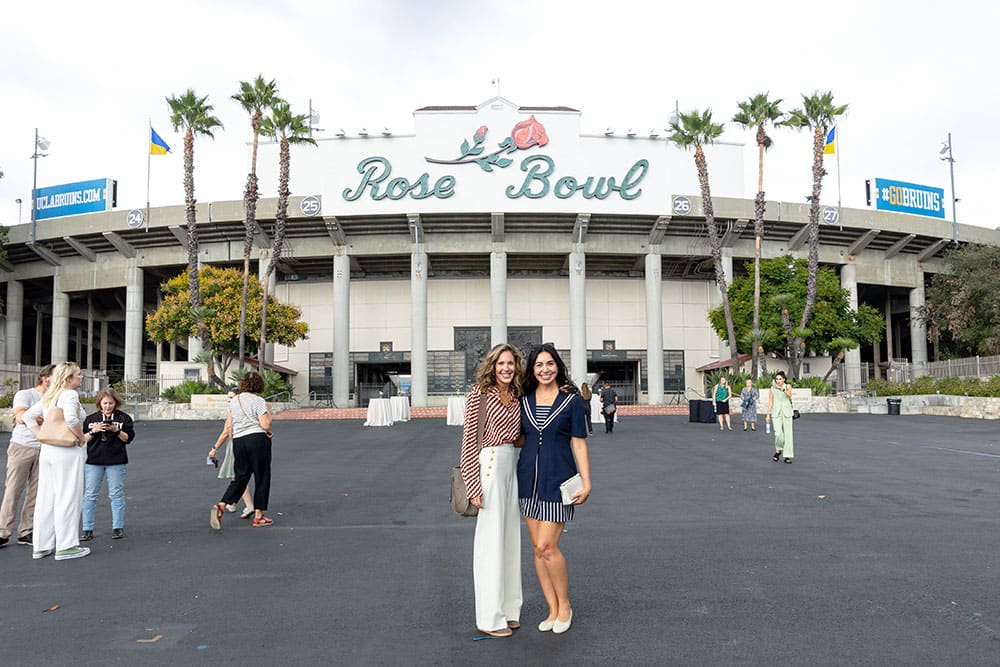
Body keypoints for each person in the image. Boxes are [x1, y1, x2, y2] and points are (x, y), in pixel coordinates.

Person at [518, 343, 591, 634]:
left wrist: (587, 481)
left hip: (559, 482)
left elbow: (578, 443)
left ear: (558, 367)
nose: (544, 369)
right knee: (537, 550)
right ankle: (551, 609)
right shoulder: (523, 400)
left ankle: (565, 606)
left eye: (549, 364)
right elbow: (518, 437)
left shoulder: (571, 402)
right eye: (539, 365)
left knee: (547, 546)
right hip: (527, 481)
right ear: (532, 370)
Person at [459, 343, 525, 638]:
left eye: (510, 363)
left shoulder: (517, 395)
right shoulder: (480, 394)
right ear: (492, 366)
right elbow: (468, 442)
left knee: (510, 542)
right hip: (488, 466)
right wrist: (473, 485)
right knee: (490, 544)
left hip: (511, 465)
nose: (506, 368)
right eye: (501, 364)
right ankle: (489, 617)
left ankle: (509, 610)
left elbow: (520, 435)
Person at [23, 362, 90, 561]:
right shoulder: (70, 395)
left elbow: (28, 417)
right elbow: (71, 419)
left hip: (48, 450)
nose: (81, 377)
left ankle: (41, 545)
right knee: (68, 496)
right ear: (69, 378)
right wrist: (81, 438)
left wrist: (40, 434)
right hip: (66, 452)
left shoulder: (50, 396)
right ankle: (66, 546)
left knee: (46, 498)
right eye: (79, 374)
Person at [0, 364, 54, 549]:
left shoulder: (55, 398)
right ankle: (3, 532)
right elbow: (21, 417)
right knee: (13, 490)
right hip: (22, 447)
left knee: (36, 493)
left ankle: (26, 531)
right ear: (46, 378)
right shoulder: (25, 394)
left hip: (45, 448)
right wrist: (47, 419)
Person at [210, 372, 273, 529]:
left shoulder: (234, 402)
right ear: (259, 385)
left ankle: (222, 504)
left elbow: (229, 426)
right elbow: (265, 425)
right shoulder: (258, 401)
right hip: (257, 439)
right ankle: (259, 515)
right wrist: (269, 418)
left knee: (241, 477)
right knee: (262, 476)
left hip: (239, 441)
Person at [80, 387, 135, 541]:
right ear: (99, 403)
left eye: (111, 403)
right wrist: (94, 430)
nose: (108, 406)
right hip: (93, 461)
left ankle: (118, 527)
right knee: (90, 494)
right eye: (105, 403)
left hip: (116, 460)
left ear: (116, 403)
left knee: (116, 494)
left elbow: (128, 438)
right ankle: (87, 528)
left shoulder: (124, 418)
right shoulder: (91, 419)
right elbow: (82, 440)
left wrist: (116, 430)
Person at [209, 391, 255, 520]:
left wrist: (214, 449)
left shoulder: (232, 411)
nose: (228, 399)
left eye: (231, 397)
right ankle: (232, 503)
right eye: (228, 397)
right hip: (248, 443)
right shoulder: (247, 409)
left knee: (237, 477)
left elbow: (226, 432)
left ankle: (249, 505)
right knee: (237, 475)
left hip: (236, 444)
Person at [766, 371, 795, 463]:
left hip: (787, 412)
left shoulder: (788, 386)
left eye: (780, 379)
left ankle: (787, 455)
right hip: (776, 412)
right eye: (777, 379)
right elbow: (771, 402)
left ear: (784, 379)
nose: (778, 381)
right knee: (778, 433)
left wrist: (782, 389)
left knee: (788, 435)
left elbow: (789, 395)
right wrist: (768, 414)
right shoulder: (772, 389)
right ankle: (778, 450)